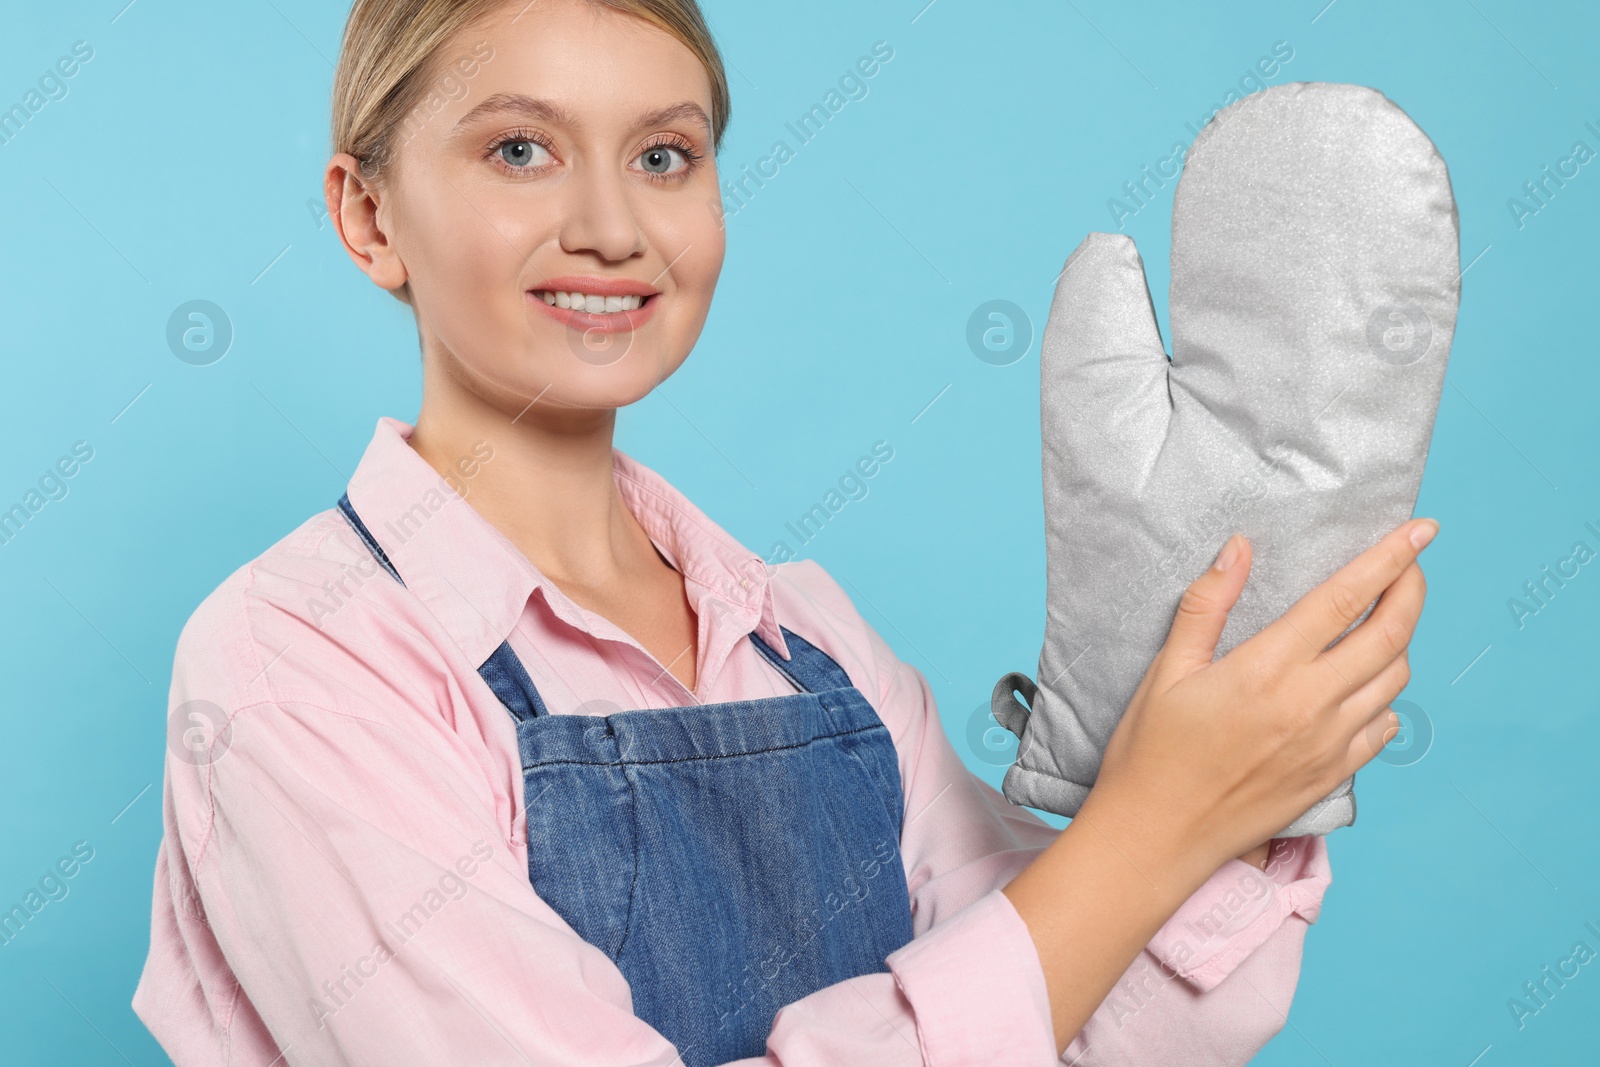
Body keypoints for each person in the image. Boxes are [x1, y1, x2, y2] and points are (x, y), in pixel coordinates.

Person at [131, 1, 1432, 1063]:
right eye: (519, 149)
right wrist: (1146, 830)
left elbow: (1087, 1026)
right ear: (368, 217)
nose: (611, 226)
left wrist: (1230, 756)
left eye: (665, 155)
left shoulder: (804, 634)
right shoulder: (295, 661)